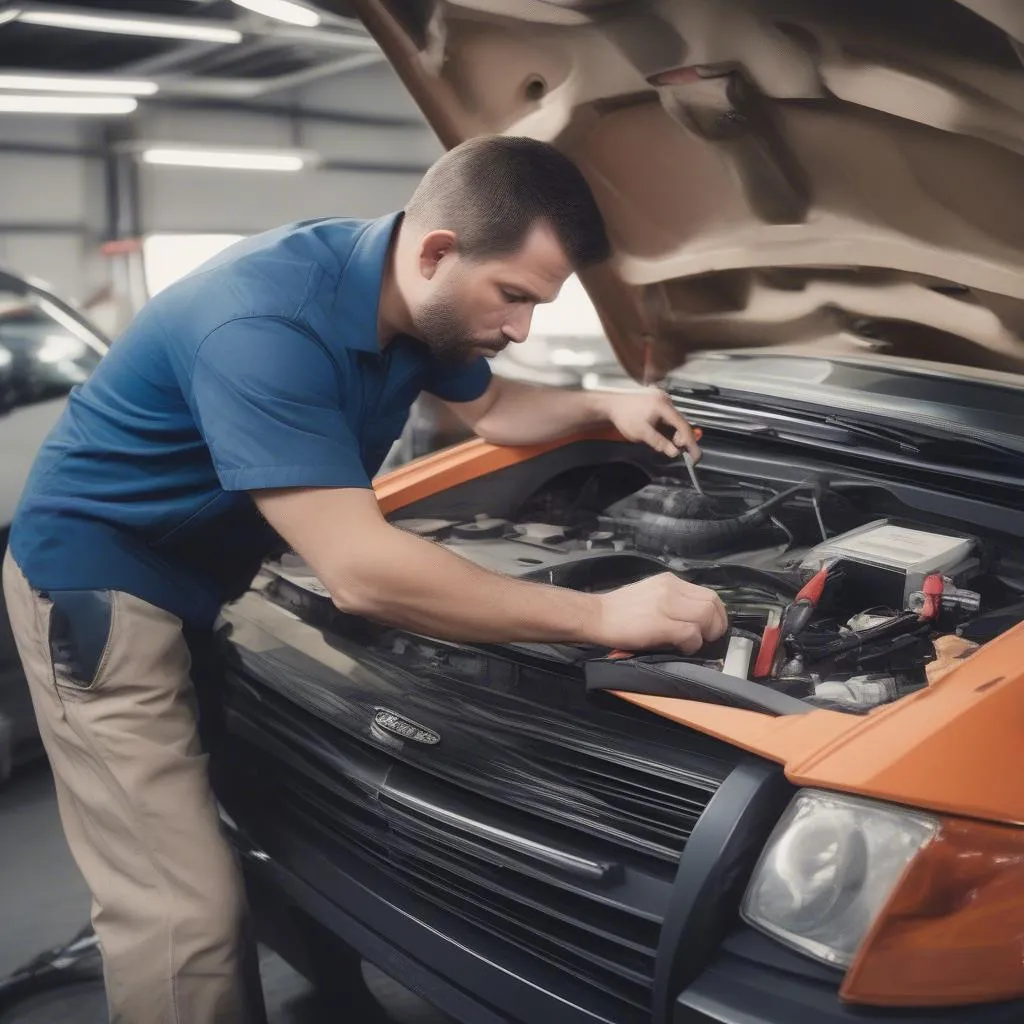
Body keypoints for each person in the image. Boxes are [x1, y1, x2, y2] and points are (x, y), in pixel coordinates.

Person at [2, 135, 726, 1023]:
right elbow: (362, 573)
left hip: (210, 573)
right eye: (514, 297)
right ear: (436, 251)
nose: (522, 328)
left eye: (539, 304)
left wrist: (606, 405)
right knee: (179, 912)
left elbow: (496, 407)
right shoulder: (265, 327)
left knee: (253, 822)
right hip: (103, 584)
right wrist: (600, 614)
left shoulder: (412, 300)